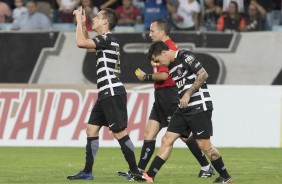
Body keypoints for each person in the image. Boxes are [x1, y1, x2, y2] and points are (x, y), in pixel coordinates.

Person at [118, 18, 214, 179]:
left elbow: (163, 75)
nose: (150, 34)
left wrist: (145, 76)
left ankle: (206, 167)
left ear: (162, 32)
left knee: (184, 135)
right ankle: (139, 171)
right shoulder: (160, 48)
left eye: (152, 31)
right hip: (160, 95)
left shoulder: (168, 49)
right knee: (149, 132)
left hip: (170, 95)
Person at [67, 7, 143, 181]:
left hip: (112, 92)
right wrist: (84, 25)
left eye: (97, 17)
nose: (94, 19)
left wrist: (79, 21)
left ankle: (136, 172)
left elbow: (80, 43)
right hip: (105, 92)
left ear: (105, 22)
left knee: (119, 132)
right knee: (91, 129)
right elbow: (87, 43)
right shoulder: (106, 40)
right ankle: (87, 171)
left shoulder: (107, 39)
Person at [141, 41, 232, 183]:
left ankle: (225, 177)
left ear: (165, 52)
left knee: (204, 145)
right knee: (167, 139)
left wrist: (188, 94)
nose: (159, 65)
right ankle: (149, 175)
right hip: (183, 109)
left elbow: (203, 74)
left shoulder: (185, 55)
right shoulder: (170, 65)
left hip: (199, 105)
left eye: (159, 60)